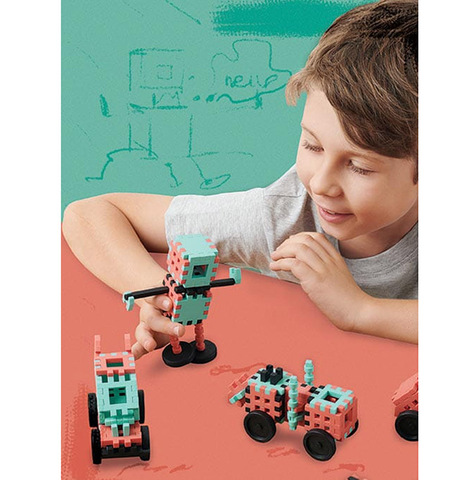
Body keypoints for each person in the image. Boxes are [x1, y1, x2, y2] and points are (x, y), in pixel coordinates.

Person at [62, 0, 418, 359]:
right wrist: (159, 295)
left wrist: (360, 311)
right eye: (312, 145)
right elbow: (89, 215)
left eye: (359, 167)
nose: (321, 185)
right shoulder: (280, 219)